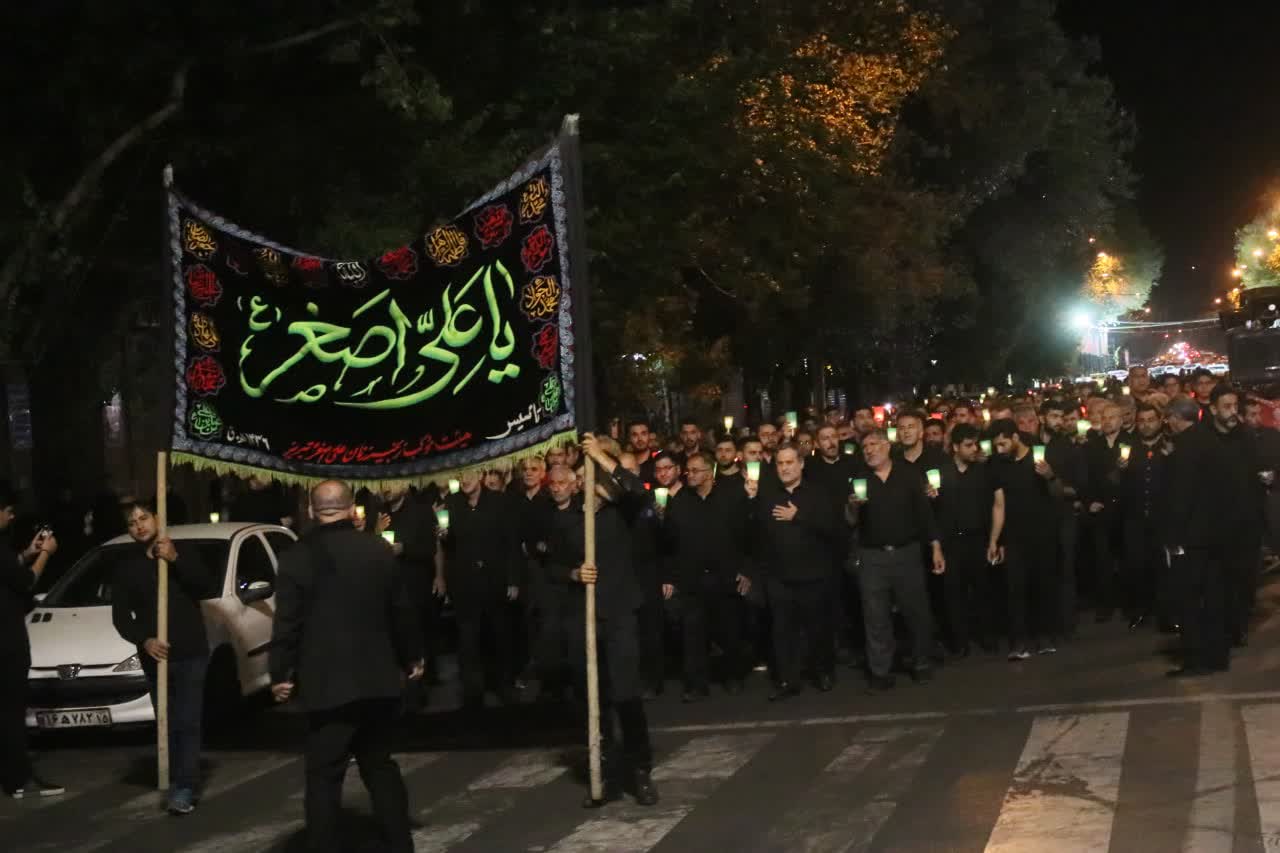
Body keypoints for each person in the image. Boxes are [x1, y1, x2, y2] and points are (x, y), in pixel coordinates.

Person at [270, 481, 423, 853]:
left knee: (324, 777)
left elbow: (287, 623)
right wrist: (411, 656)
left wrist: (280, 673)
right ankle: (400, 844)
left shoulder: (296, 558)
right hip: (377, 679)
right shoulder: (377, 550)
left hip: (327, 685)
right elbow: (399, 610)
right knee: (379, 766)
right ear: (352, 507)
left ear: (312, 510)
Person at [552, 436, 658, 806]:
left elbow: (640, 493)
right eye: (583, 477)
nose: (587, 483)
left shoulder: (621, 511)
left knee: (626, 694)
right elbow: (551, 566)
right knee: (594, 701)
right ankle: (605, 774)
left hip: (619, 612)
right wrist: (573, 573)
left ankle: (639, 770)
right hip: (583, 618)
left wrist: (601, 456)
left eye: (593, 476)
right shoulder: (566, 518)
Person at [111, 502, 218, 815]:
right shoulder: (126, 567)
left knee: (188, 721)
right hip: (155, 657)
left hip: (190, 652)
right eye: (132, 522)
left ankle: (185, 786)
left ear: (157, 518)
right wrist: (144, 640)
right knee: (167, 722)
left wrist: (175, 559)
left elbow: (205, 586)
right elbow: (120, 617)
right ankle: (174, 776)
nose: (139, 525)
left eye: (144, 517)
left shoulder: (181, 550)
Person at [848, 430, 944, 691]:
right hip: (873, 556)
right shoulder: (860, 479)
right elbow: (850, 522)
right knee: (875, 615)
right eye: (865, 447)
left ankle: (921, 662)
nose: (869, 450)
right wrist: (854, 507)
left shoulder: (908, 475)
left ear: (887, 446)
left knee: (916, 611)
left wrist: (935, 547)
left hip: (906, 553)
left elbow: (924, 514)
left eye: (873, 444)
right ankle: (880, 670)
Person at [746, 446, 839, 700]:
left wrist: (799, 516)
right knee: (782, 631)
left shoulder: (817, 493)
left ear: (801, 464)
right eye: (780, 463)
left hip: (813, 574)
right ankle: (788, 679)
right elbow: (754, 532)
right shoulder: (767, 495)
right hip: (779, 576)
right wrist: (751, 500)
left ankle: (823, 672)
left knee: (817, 628)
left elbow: (831, 528)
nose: (785, 468)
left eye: (789, 462)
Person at [663, 451, 751, 701]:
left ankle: (733, 676)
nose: (689, 475)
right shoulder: (679, 501)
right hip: (692, 579)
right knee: (693, 634)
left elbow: (747, 536)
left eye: (695, 470)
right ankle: (695, 684)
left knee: (729, 630)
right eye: (688, 470)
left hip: (725, 575)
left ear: (710, 473)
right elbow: (670, 543)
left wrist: (746, 570)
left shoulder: (731, 498)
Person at [440, 470, 522, 710]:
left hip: (495, 581)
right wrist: (444, 535)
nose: (465, 480)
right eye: (461, 476)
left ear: (481, 474)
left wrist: (513, 580)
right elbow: (449, 546)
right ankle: (472, 694)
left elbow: (511, 542)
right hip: (465, 584)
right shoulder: (452, 503)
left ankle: (503, 686)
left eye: (469, 475)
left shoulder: (499, 501)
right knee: (468, 640)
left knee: (499, 636)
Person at [1, 494, 61, 800]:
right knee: (12, 713)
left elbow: (8, 570)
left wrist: (27, 553)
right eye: (8, 511)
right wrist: (45, 554)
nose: (11, 517)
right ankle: (18, 779)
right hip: (7, 643)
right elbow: (26, 581)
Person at [1164, 397, 1229, 676]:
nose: (1168, 422)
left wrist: (1173, 536)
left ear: (1177, 418)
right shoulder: (1212, 441)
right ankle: (1217, 655)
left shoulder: (1185, 448)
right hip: (1215, 532)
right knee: (1214, 596)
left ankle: (1195, 658)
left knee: (1189, 597)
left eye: (1169, 417)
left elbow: (1181, 496)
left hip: (1191, 536)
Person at [988, 419, 1063, 660]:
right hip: (1014, 537)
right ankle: (1019, 642)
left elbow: (1059, 494)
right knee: (1015, 590)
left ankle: (1044, 636)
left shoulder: (1040, 457)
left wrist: (1050, 475)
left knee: (1043, 586)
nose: (999, 449)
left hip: (1043, 533)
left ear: (1015, 437)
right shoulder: (999, 465)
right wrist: (994, 540)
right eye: (996, 445)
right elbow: (999, 505)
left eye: (1003, 443)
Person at [933, 424, 995, 656]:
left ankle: (986, 635)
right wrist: (931, 497)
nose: (974, 449)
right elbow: (933, 512)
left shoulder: (981, 472)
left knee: (982, 590)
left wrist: (994, 540)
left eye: (975, 444)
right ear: (956, 447)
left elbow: (991, 506)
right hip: (951, 542)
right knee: (954, 594)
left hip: (977, 538)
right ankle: (960, 641)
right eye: (968, 445)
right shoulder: (941, 473)